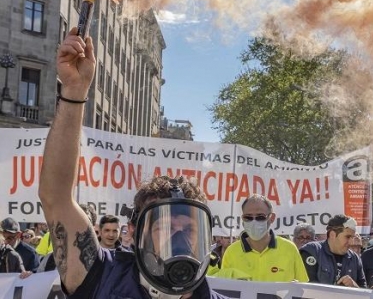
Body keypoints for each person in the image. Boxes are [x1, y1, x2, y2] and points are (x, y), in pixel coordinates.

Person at [38, 29, 227, 299]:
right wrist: (73, 91)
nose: (180, 239)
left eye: (189, 229)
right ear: (136, 233)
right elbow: (55, 196)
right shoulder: (101, 276)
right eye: (165, 227)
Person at [221, 194, 308, 282]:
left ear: (272, 218)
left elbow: (303, 287)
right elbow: (224, 288)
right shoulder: (231, 252)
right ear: (242, 218)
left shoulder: (289, 248)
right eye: (248, 217)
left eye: (260, 217)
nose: (254, 221)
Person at [300, 214, 366, 288]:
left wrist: (354, 286)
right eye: (347, 237)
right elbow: (308, 289)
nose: (351, 242)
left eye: (352, 237)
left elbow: (365, 293)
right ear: (332, 235)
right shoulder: (312, 251)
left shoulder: (355, 259)